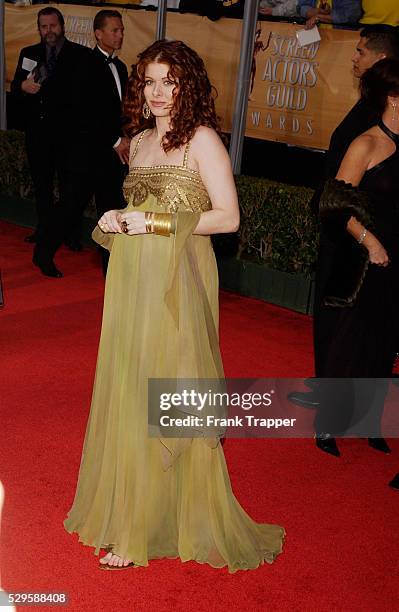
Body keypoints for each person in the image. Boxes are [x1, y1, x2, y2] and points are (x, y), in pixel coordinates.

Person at [64, 40, 285, 571]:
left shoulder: (203, 140)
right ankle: (132, 516)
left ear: (187, 87)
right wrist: (116, 218)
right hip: (132, 279)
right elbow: (140, 207)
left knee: (171, 389)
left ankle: (156, 524)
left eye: (169, 81)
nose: (157, 92)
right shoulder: (137, 142)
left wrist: (157, 223)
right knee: (131, 384)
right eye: (149, 81)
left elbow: (228, 218)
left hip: (179, 280)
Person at [288, 26, 399, 456]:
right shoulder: (366, 142)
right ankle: (329, 423)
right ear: (393, 97)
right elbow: (333, 205)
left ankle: (370, 421)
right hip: (363, 256)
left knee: (383, 340)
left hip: (396, 258)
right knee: (347, 339)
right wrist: (370, 242)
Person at [11, 7, 92, 277]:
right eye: (44, 27)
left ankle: (70, 234)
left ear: (62, 26)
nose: (49, 31)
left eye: (53, 26)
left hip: (69, 136)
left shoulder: (79, 55)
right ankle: (44, 230)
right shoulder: (29, 54)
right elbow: (16, 87)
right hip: (38, 134)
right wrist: (22, 87)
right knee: (42, 184)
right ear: (39, 28)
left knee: (70, 188)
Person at [88, 10, 130, 275]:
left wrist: (128, 138)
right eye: (115, 30)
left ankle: (119, 263)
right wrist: (115, 141)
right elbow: (88, 114)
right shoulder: (86, 65)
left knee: (120, 205)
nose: (120, 35)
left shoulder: (122, 67)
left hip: (120, 152)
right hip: (97, 152)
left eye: (122, 30)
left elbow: (122, 111)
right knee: (106, 209)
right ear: (98, 33)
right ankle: (109, 269)